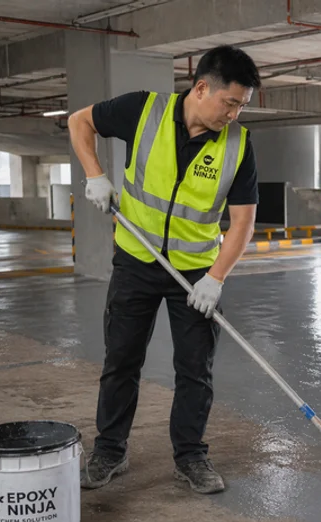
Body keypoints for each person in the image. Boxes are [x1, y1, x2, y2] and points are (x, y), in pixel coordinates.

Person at [68, 45, 260, 494]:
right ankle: (110, 452)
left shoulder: (239, 145)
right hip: (137, 259)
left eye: (241, 106)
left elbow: (244, 222)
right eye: (229, 102)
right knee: (122, 359)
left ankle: (191, 457)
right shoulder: (144, 110)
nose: (233, 114)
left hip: (195, 272)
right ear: (201, 87)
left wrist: (216, 277)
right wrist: (95, 173)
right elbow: (81, 122)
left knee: (195, 369)